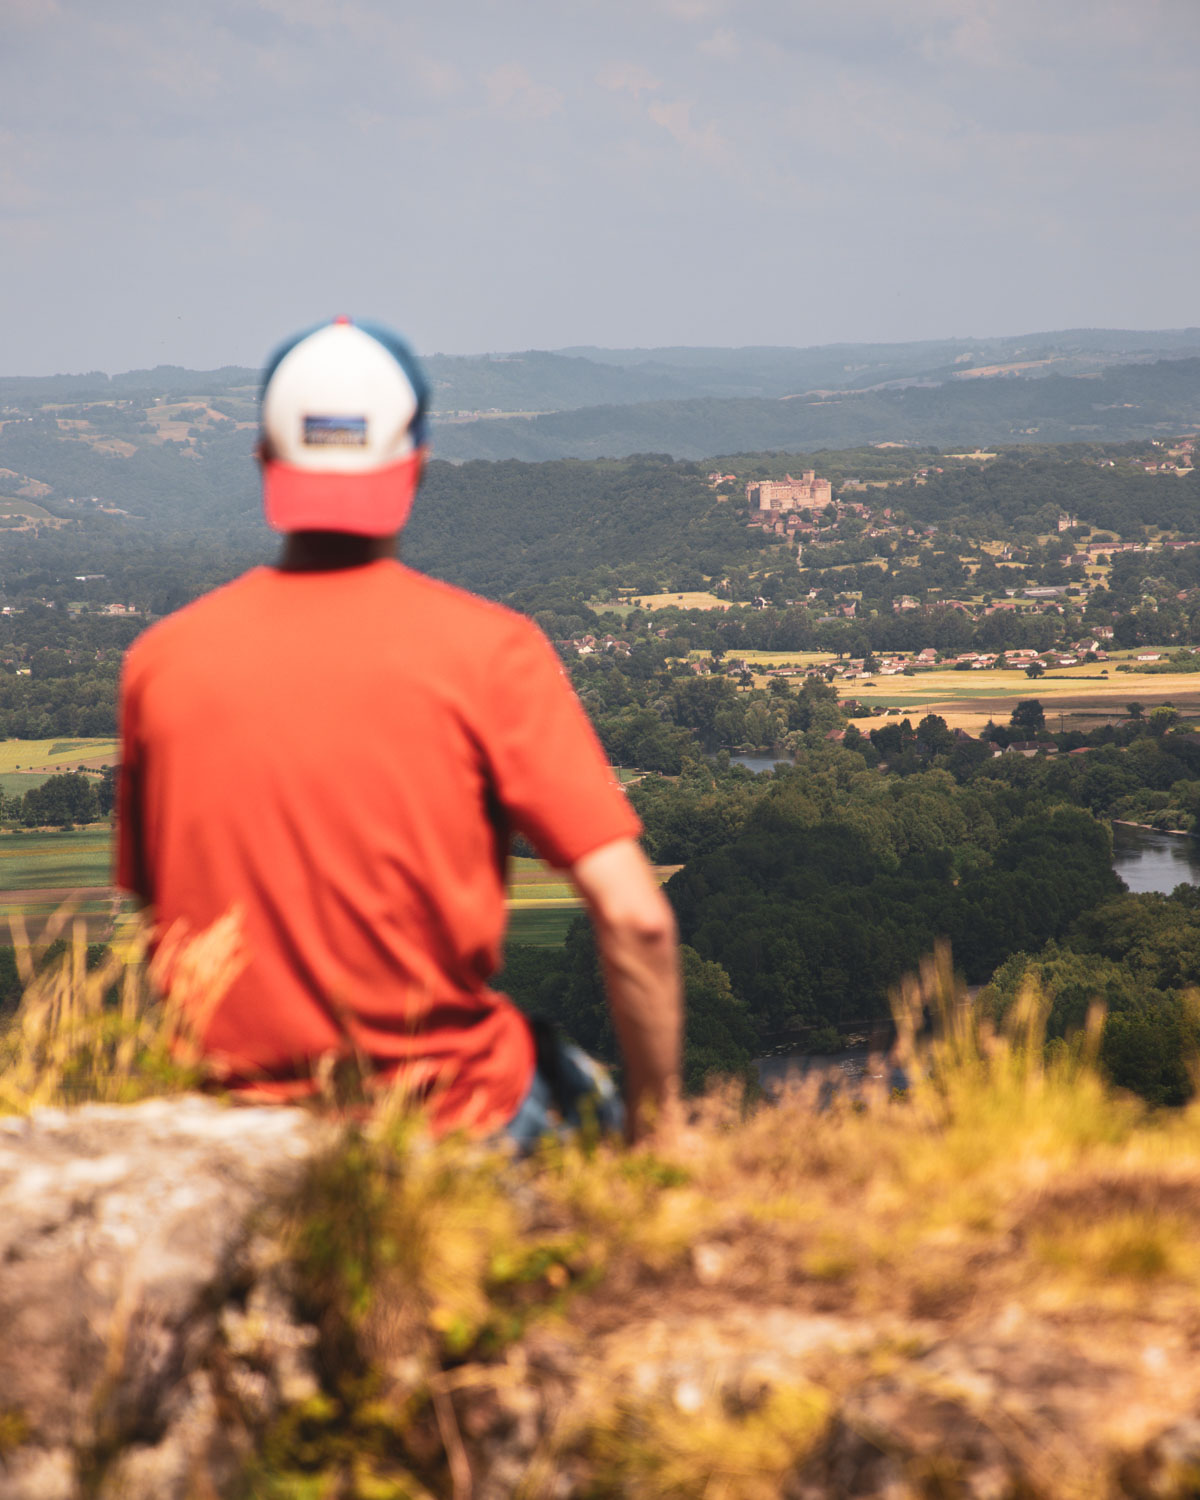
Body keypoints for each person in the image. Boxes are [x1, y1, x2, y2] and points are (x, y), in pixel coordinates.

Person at [116, 317, 681, 1142]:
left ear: (266, 464)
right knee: (580, 1095)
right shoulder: (491, 652)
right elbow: (638, 918)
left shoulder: (159, 664)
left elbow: (159, 922)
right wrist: (662, 1132)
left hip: (232, 1126)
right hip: (453, 1118)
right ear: (413, 466)